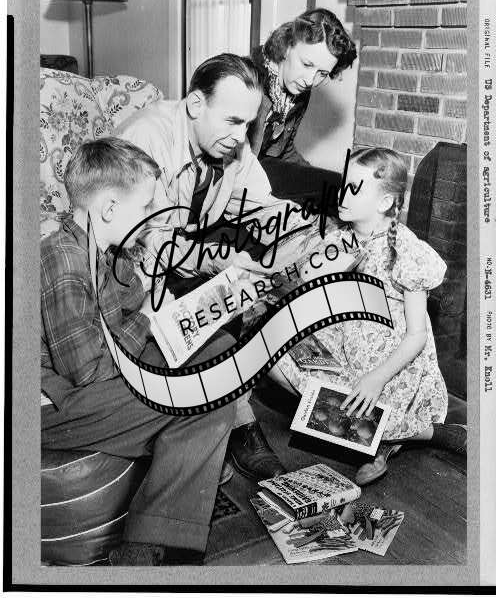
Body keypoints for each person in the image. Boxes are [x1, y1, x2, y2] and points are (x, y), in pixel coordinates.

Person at [41, 138, 236, 566]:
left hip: (102, 378)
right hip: (60, 406)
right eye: (146, 206)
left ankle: (157, 531)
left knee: (222, 351)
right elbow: (88, 372)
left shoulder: (105, 252)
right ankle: (149, 546)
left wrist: (182, 311)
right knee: (209, 390)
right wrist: (148, 318)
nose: (152, 216)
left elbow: (133, 311)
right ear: (110, 208)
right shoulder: (63, 259)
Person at [115, 54, 296, 481]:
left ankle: (227, 427)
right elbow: (149, 242)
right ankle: (232, 429)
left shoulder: (231, 143)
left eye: (248, 124)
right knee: (214, 313)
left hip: (176, 260)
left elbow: (265, 207)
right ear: (196, 104)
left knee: (240, 297)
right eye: (232, 121)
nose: (240, 136)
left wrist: (314, 235)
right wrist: (217, 261)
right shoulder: (148, 137)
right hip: (128, 273)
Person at [277, 147, 467, 485]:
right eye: (343, 185)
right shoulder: (339, 238)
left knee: (363, 401)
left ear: (384, 202)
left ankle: (425, 434)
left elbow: (417, 336)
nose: (342, 194)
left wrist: (377, 378)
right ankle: (380, 438)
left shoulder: (405, 251)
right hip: (344, 344)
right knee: (271, 354)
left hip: (390, 365)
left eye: (354, 188)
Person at [248, 8, 357, 165]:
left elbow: (283, 150)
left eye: (322, 73)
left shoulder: (297, 93)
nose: (310, 81)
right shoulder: (246, 80)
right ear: (286, 47)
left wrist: (317, 175)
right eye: (306, 64)